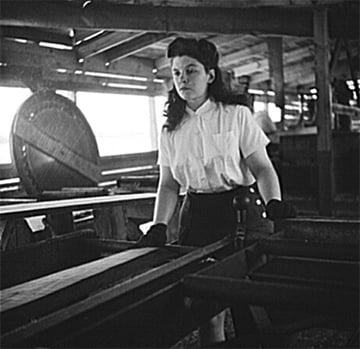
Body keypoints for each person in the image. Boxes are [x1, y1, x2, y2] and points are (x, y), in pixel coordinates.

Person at [136, 37, 296, 346]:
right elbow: (168, 184)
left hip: (241, 212)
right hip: (197, 216)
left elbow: (262, 167)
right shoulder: (171, 128)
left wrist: (273, 202)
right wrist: (159, 225)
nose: (183, 79)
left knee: (254, 302)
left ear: (210, 75)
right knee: (207, 306)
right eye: (177, 72)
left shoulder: (236, 115)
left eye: (191, 71)